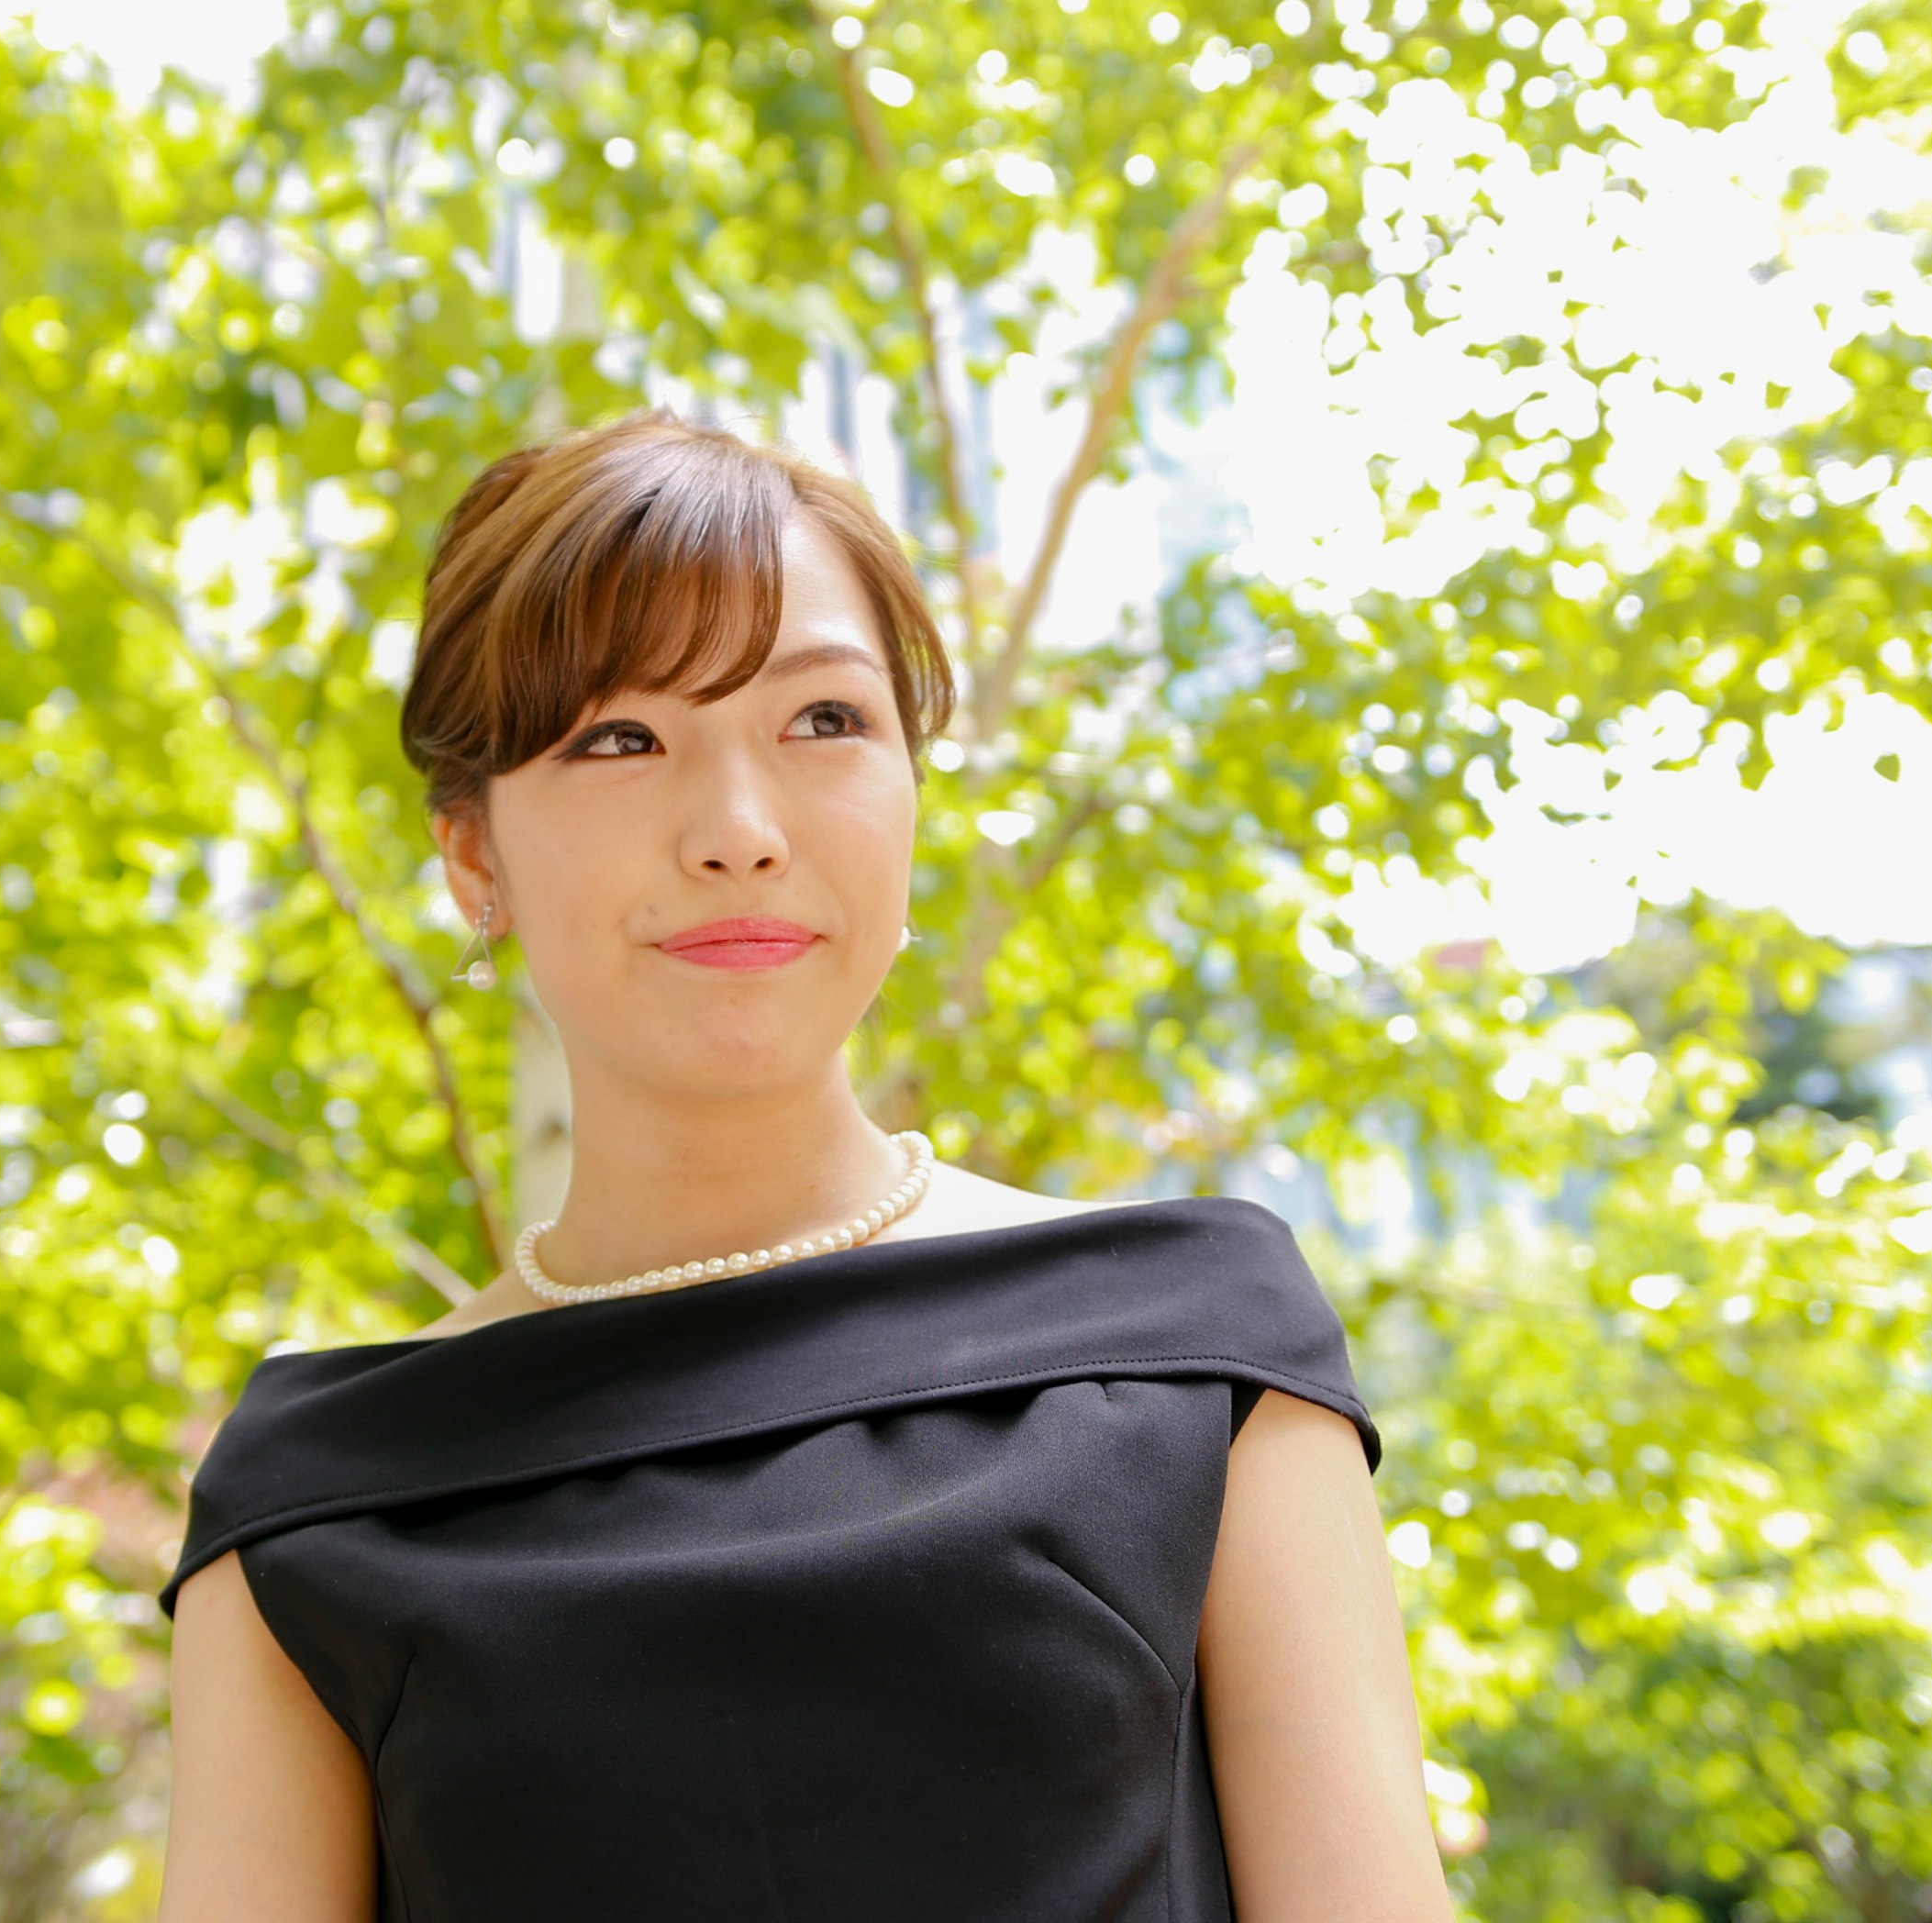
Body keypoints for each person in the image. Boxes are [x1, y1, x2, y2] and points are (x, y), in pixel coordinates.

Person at [155, 409, 1454, 1921]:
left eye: (823, 722)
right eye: (620, 739)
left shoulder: (1198, 1354)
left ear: (912, 792)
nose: (740, 830)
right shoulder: (312, 1501)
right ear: (474, 860)